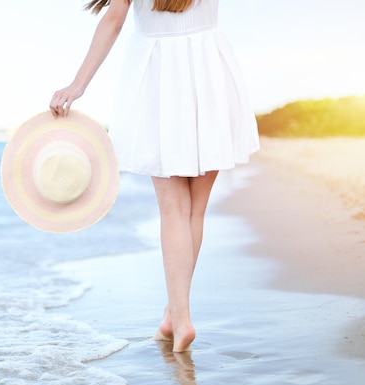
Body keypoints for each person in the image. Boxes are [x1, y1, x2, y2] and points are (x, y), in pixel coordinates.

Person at [49, 0, 260, 352]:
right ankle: (173, 314)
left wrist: (77, 85)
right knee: (194, 211)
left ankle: (180, 319)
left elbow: (113, 21)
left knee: (174, 210)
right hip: (211, 72)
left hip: (160, 77)